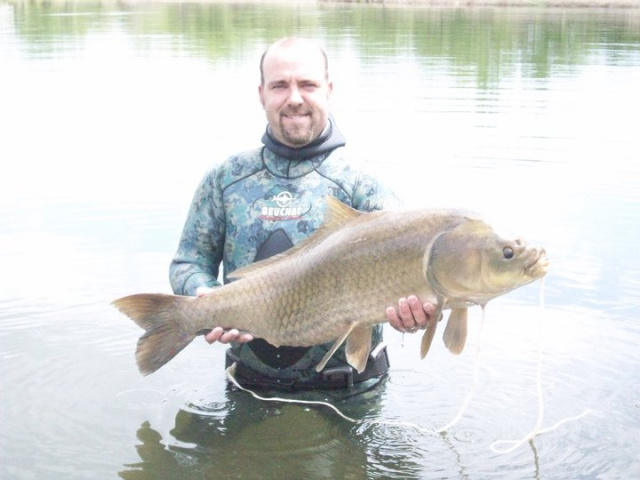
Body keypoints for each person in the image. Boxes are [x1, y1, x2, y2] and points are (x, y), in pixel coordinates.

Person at [169, 37, 434, 392]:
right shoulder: (225, 178)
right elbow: (188, 263)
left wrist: (414, 317)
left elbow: (413, 282)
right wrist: (204, 296)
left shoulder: (363, 186)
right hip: (247, 387)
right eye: (280, 86)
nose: (294, 98)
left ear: (329, 90)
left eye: (307, 84)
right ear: (262, 94)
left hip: (350, 392)